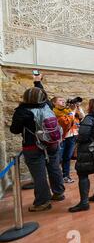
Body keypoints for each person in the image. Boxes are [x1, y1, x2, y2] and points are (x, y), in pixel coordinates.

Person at [10, 74, 65, 212]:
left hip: (32, 146)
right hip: (51, 144)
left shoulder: (22, 111)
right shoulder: (47, 106)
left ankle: (42, 202)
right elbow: (44, 95)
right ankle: (58, 192)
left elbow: (15, 130)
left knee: (39, 175)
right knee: (54, 168)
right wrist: (38, 82)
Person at [52, 96, 85, 184]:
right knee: (59, 158)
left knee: (67, 157)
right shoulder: (55, 112)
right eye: (60, 100)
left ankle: (66, 176)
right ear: (54, 103)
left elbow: (82, 117)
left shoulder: (68, 110)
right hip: (62, 138)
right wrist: (73, 111)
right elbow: (65, 122)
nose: (62, 101)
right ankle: (57, 178)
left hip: (72, 136)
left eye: (63, 100)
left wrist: (78, 107)